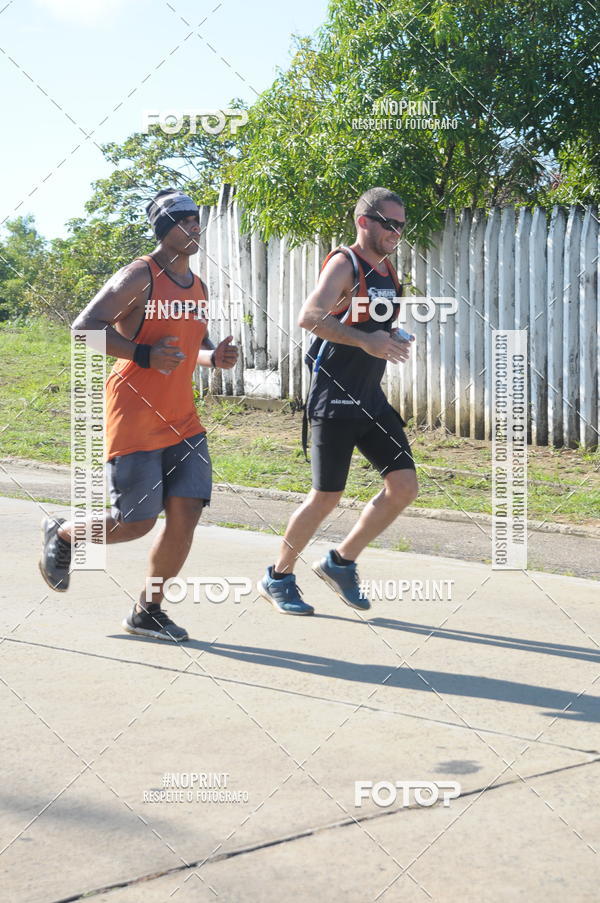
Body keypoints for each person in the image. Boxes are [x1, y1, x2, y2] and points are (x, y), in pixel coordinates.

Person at [39, 188, 238, 641]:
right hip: (134, 414)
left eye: (196, 220)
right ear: (163, 227)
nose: (193, 226)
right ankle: (65, 532)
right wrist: (143, 355)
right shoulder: (140, 275)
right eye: (183, 220)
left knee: (186, 513)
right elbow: (84, 330)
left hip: (183, 421)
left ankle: (148, 610)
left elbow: (191, 349)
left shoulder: (198, 285)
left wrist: (215, 358)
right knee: (135, 523)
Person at [259, 187, 418, 615]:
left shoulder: (388, 271)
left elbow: (369, 325)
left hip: (371, 398)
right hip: (334, 399)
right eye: (389, 223)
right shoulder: (344, 263)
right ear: (364, 221)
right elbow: (310, 317)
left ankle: (340, 562)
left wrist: (392, 337)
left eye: (401, 225)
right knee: (325, 496)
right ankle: (278, 576)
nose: (396, 232)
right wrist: (368, 341)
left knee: (403, 486)